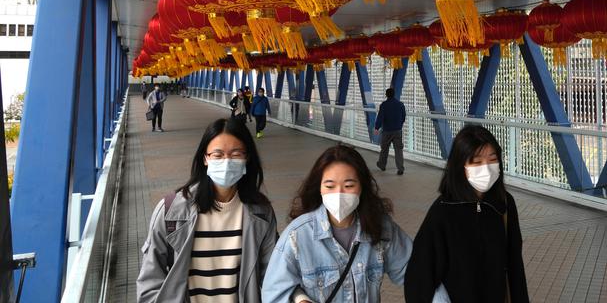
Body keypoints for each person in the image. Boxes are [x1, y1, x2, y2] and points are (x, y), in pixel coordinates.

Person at [136, 116, 278, 302]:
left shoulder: (261, 214)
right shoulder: (171, 212)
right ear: (205, 158)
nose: (226, 162)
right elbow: (149, 282)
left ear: (247, 158)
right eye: (218, 155)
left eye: (236, 155)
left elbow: (274, 275)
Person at [261, 144, 412, 303]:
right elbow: (274, 293)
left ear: (362, 187)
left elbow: (416, 274)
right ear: (319, 187)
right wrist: (299, 299)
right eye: (330, 186)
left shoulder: (381, 228)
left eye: (349, 186)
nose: (339, 194)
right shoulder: (297, 236)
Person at [404, 125, 529, 303]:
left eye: (492, 160)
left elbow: (515, 267)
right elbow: (419, 277)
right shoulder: (443, 211)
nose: (486, 169)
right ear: (460, 165)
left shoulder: (505, 204)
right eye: (476, 162)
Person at [374, 88, 406, 175]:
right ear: (394, 94)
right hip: (398, 131)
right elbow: (403, 117)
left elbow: (380, 117)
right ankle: (400, 168)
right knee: (398, 150)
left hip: (387, 131)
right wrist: (399, 125)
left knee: (384, 149)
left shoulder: (384, 105)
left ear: (386, 95)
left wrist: (377, 128)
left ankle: (382, 165)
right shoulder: (400, 104)